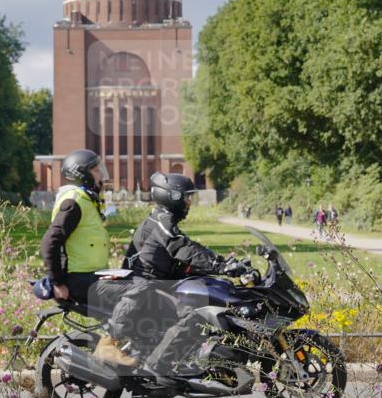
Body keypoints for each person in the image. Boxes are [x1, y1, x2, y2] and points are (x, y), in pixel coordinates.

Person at [118, 172, 251, 376]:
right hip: (145, 286)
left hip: (151, 283)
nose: (189, 202)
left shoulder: (162, 219)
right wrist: (220, 265)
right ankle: (157, 366)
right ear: (172, 196)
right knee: (194, 314)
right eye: (186, 197)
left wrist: (222, 264)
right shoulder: (163, 221)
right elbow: (183, 248)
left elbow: (186, 252)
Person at [39, 149, 136, 366]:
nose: (101, 174)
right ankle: (107, 346)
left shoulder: (86, 200)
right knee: (140, 290)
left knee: (143, 284)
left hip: (92, 276)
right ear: (82, 174)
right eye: (95, 169)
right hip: (78, 280)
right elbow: (49, 243)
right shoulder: (73, 202)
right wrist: (58, 282)